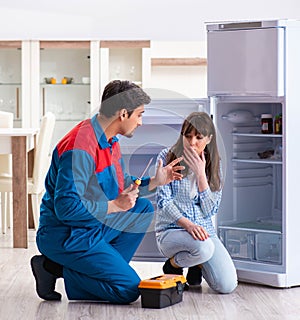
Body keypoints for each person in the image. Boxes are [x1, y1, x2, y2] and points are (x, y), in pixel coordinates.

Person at [30, 80, 184, 304]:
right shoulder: (79, 148)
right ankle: (52, 268)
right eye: (139, 115)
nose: (141, 122)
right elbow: (66, 209)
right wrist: (114, 206)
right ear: (123, 114)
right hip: (66, 234)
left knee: (141, 209)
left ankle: (98, 270)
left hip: (92, 225)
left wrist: (154, 181)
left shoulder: (110, 140)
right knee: (129, 290)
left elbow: (119, 184)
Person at [155, 112, 237, 294]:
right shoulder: (166, 157)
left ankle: (196, 263)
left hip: (203, 232)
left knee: (227, 285)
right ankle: (173, 265)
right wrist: (188, 225)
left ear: (209, 139)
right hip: (171, 231)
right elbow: (163, 201)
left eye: (199, 137)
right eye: (187, 136)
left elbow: (210, 211)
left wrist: (201, 175)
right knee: (204, 247)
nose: (192, 143)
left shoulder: (216, 164)